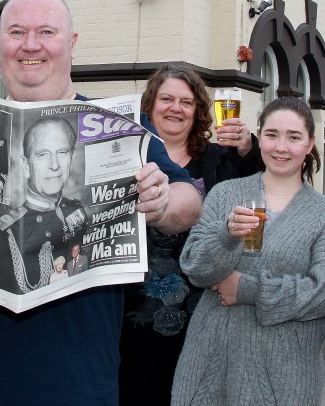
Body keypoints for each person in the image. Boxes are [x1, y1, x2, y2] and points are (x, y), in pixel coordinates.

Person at [0, 0, 202, 406]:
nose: (31, 45)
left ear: (71, 44)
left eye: (46, 31)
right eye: (17, 32)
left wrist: (162, 202)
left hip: (78, 380)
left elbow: (188, 202)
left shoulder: (117, 125)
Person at [170, 97, 325, 406]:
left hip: (284, 373)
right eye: (271, 135)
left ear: (309, 144)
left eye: (293, 137)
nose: (281, 147)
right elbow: (195, 268)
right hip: (212, 363)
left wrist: (247, 288)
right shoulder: (227, 193)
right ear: (259, 137)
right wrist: (225, 235)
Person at [120, 64, 264, 406]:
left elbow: (260, 181)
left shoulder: (217, 160)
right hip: (133, 311)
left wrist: (247, 146)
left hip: (203, 308)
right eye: (166, 98)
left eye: (186, 102)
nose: (175, 108)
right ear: (149, 105)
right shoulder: (126, 155)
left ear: (198, 111)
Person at [0, 116, 85, 294]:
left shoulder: (77, 211)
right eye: (43, 155)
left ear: (72, 157)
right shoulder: (4, 233)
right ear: (25, 165)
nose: (54, 165)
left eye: (62, 153)